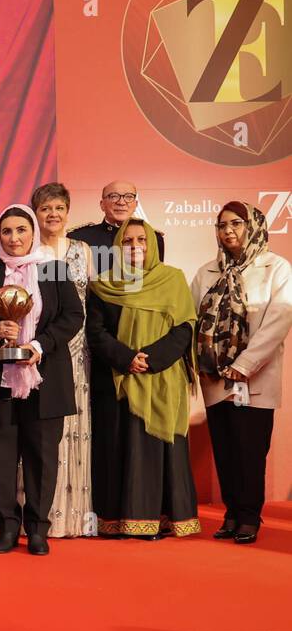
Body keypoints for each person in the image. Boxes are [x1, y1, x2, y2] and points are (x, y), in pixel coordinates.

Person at [0, 204, 83, 555]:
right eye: (6, 231)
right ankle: (6, 526)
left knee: (42, 457)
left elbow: (73, 316)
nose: (14, 238)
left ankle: (37, 528)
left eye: (20, 230)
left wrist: (39, 345)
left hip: (44, 378)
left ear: (33, 232)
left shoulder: (55, 270)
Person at [87, 219, 199, 539]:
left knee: (159, 449)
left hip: (163, 379)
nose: (134, 246)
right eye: (127, 241)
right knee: (121, 448)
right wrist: (126, 359)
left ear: (151, 245)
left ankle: (164, 519)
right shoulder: (105, 284)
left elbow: (184, 328)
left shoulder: (172, 279)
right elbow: (96, 333)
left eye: (141, 240)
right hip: (118, 380)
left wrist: (149, 360)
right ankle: (121, 521)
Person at [192, 202, 292, 545]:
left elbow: (278, 322)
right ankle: (232, 513)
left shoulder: (276, 268)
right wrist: (200, 368)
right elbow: (194, 326)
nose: (228, 230)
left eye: (237, 223)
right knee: (226, 449)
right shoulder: (206, 272)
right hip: (215, 380)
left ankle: (250, 516)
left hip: (254, 378)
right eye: (222, 225)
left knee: (250, 450)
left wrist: (244, 365)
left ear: (253, 227)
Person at [30, 182, 95, 538]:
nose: (52, 214)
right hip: (42, 351)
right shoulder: (30, 250)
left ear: (68, 212)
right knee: (42, 435)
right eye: (45, 208)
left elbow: (95, 299)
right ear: (35, 214)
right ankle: (40, 515)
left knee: (75, 432)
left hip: (78, 352)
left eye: (58, 207)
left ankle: (74, 518)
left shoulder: (85, 251)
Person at [69, 180, 166, 277]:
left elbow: (156, 280)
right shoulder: (79, 238)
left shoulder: (153, 238)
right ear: (102, 205)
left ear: (136, 205)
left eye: (129, 197)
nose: (121, 202)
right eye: (114, 196)